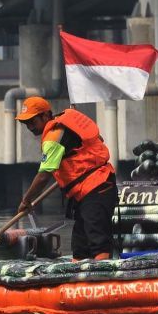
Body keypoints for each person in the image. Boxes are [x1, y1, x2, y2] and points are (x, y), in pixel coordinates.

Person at [15, 96, 116, 261]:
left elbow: (43, 176)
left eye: (32, 121)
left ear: (46, 116)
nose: (29, 126)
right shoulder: (66, 125)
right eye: (25, 123)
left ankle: (102, 278)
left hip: (98, 187)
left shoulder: (55, 135)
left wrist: (26, 201)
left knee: (98, 241)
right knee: (80, 246)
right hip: (84, 192)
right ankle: (78, 278)